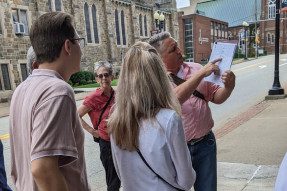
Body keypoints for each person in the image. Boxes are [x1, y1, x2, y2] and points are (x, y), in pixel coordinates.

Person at [9, 12, 90, 191]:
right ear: (68, 46)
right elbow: (43, 169)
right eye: (79, 41)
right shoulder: (58, 92)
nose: (81, 49)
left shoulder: (21, 89)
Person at [149, 32, 236, 191]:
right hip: (173, 151)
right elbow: (174, 100)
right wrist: (201, 74)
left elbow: (216, 97)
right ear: (159, 58)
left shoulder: (195, 67)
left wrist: (229, 87)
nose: (180, 51)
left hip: (205, 145)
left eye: (178, 46)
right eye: (173, 49)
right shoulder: (155, 82)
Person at [108, 41, 196, 191]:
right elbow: (186, 181)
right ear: (159, 78)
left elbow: (121, 174)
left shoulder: (115, 121)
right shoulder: (168, 120)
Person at [77, 61, 121, 191]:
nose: (103, 78)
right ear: (96, 79)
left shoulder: (116, 94)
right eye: (100, 76)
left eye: (106, 75)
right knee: (113, 181)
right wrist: (91, 130)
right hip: (107, 144)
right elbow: (75, 116)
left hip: (121, 142)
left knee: (126, 174)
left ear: (112, 77)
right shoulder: (93, 97)